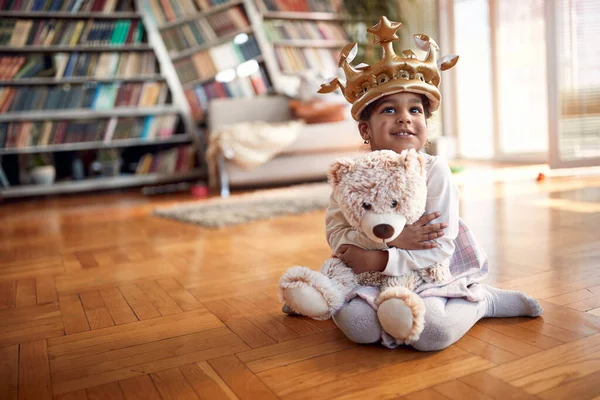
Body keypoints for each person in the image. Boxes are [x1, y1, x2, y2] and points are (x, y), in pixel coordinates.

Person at [314, 17, 543, 351]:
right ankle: (338, 299)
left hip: (426, 273)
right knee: (360, 329)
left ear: (425, 122)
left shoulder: (435, 171)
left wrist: (381, 256)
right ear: (366, 131)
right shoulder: (351, 173)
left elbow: (438, 247)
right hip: (366, 277)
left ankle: (482, 303)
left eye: (415, 110)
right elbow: (337, 236)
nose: (405, 117)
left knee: (431, 335)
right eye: (390, 110)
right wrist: (388, 241)